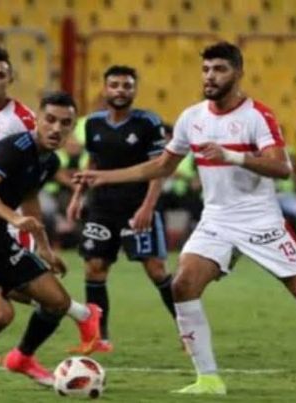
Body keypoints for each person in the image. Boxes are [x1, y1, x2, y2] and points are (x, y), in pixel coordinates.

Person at [74, 41, 296, 398]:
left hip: (260, 221)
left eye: (219, 69)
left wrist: (232, 156)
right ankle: (209, 380)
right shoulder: (192, 117)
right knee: (183, 285)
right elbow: (161, 166)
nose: (210, 76)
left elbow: (282, 167)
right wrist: (104, 177)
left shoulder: (257, 116)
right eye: (206, 69)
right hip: (216, 220)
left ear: (237, 73)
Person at [0, 47, 100, 366]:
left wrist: (41, 243)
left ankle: (21, 352)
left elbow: (29, 192)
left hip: (3, 222)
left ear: (10, 79)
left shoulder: (24, 126)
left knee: (25, 293)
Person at [66, 65, 175, 353]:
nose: (120, 91)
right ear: (105, 89)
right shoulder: (92, 123)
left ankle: (188, 331)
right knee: (94, 269)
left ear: (134, 90)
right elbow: (92, 163)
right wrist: (78, 197)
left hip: (136, 206)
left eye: (127, 85)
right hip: (102, 206)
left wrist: (148, 207)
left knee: (156, 269)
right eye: (114, 85)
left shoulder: (149, 122)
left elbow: (159, 169)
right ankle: (98, 338)